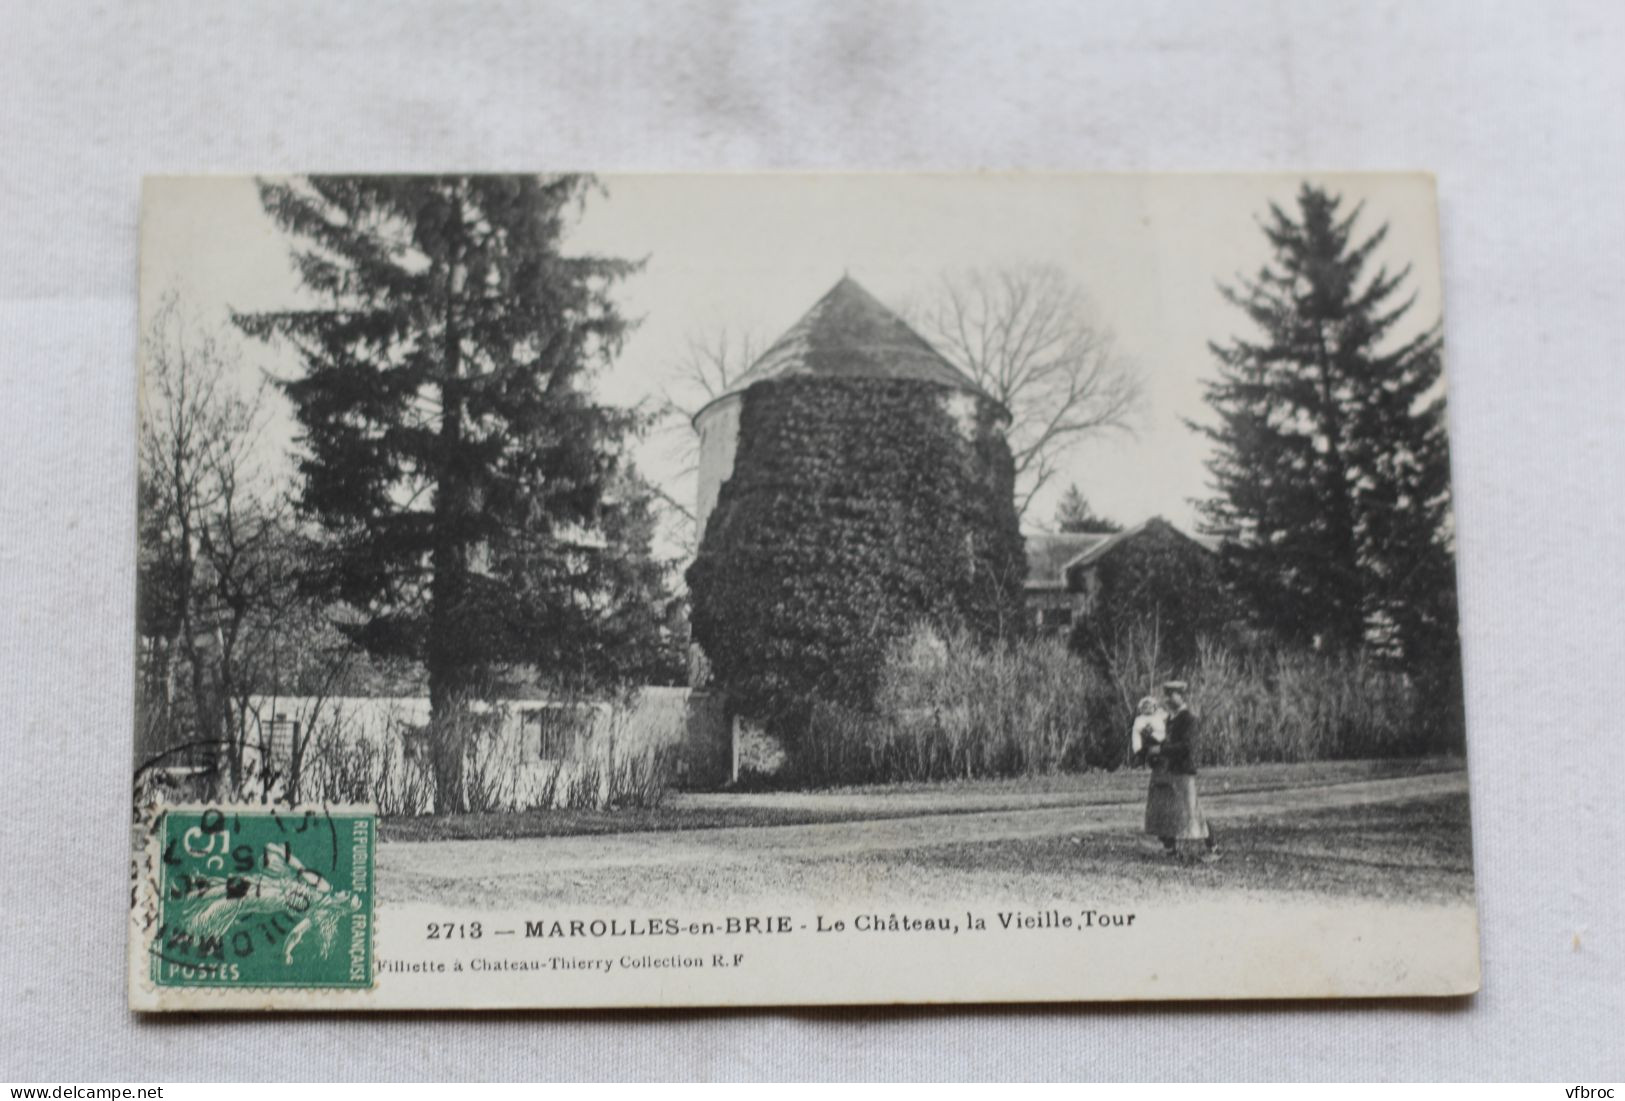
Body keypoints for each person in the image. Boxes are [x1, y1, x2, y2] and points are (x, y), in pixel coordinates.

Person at [1143, 681, 1220, 862]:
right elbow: (1165, 743)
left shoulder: (1189, 720)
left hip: (1183, 770)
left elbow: (1186, 747)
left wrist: (1161, 750)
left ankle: (1213, 848)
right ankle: (1170, 849)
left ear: (1181, 696)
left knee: (1193, 810)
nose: (1168, 698)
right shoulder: (1169, 720)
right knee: (1164, 809)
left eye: (1171, 695)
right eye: (1167, 694)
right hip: (1167, 770)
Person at [1129, 695, 1166, 767]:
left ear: (1154, 708)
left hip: (1158, 736)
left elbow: (1162, 725)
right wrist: (1145, 729)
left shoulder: (1157, 716)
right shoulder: (1140, 718)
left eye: (1150, 707)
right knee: (1139, 738)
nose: (1148, 709)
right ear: (1141, 709)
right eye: (1145, 707)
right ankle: (1140, 757)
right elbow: (1138, 728)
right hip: (1145, 738)